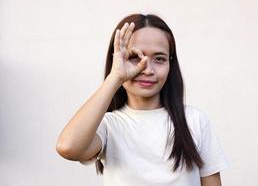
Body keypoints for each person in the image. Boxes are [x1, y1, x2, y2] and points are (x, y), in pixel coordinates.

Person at [56, 13, 230, 186]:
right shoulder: (108, 126)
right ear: (117, 60)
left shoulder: (195, 121)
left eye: (159, 59)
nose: (147, 69)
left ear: (171, 64)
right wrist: (115, 77)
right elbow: (68, 147)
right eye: (134, 57)